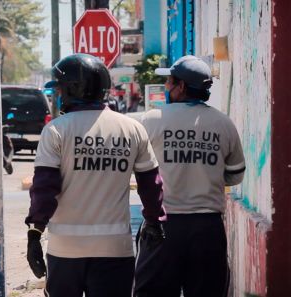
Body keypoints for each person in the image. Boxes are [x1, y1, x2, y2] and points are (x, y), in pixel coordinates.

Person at [24, 53, 165, 297]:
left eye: (58, 90)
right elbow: (151, 185)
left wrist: (35, 233)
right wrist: (154, 221)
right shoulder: (132, 129)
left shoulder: (57, 130)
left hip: (65, 251)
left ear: (73, 89)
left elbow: (44, 189)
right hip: (115, 249)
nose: (57, 96)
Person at [133, 55, 246, 297]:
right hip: (207, 229)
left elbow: (137, 169)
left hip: (162, 226)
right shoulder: (224, 123)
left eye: (169, 82)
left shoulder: (152, 121)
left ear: (181, 86)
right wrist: (204, 174)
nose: (166, 87)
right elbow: (235, 175)